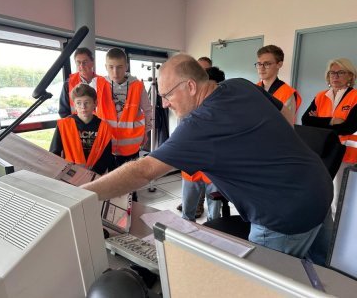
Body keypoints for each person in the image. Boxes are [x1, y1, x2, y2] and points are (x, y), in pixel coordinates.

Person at [81, 54, 333, 259]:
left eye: (167, 95)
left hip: (283, 216)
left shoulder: (199, 125)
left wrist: (83, 194)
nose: (165, 104)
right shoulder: (239, 84)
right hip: (320, 186)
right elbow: (287, 117)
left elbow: (144, 170)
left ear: (191, 86)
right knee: (321, 277)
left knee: (267, 285)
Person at [302, 58, 357, 219]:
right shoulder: (320, 96)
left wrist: (319, 121)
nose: (335, 76)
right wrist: (333, 121)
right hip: (322, 152)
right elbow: (306, 121)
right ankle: (323, 230)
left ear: (350, 76)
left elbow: (349, 127)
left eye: (341, 72)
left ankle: (338, 238)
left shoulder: (355, 97)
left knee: (340, 197)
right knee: (321, 194)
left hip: (346, 154)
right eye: (332, 72)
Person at [95, 48, 152, 200]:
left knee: (130, 183)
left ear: (126, 66)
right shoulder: (99, 84)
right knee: (110, 183)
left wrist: (146, 132)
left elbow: (147, 110)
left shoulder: (137, 86)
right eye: (111, 67)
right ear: (106, 67)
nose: (115, 71)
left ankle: (131, 210)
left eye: (119, 67)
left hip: (131, 144)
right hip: (107, 144)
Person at [179, 65, 225, 222]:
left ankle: (213, 240)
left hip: (215, 170)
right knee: (187, 213)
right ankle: (186, 242)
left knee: (214, 216)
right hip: (191, 167)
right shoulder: (189, 106)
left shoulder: (227, 110)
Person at [50, 83, 114, 175]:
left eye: (87, 102)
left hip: (95, 174)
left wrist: (93, 174)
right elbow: (54, 152)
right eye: (79, 103)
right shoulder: (63, 125)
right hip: (70, 173)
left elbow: (106, 156)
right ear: (74, 105)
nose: (83, 107)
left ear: (95, 103)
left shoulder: (104, 127)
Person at [255, 45, 302, 123]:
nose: (261, 68)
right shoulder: (254, 87)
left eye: (267, 64)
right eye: (259, 64)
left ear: (279, 64)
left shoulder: (288, 93)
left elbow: (287, 124)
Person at [58, 47, 99, 118]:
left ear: (92, 63)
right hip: (76, 126)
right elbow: (64, 112)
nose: (81, 66)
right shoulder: (68, 84)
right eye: (78, 62)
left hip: (98, 126)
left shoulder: (103, 82)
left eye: (85, 62)